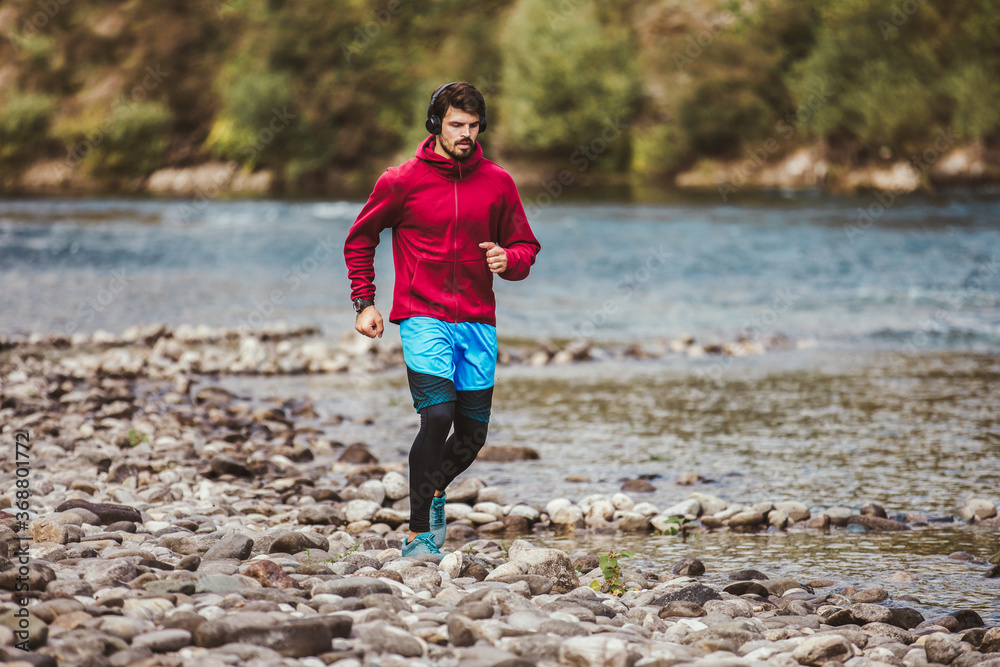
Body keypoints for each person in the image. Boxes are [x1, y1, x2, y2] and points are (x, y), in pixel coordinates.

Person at [343, 82, 541, 556]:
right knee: (437, 417)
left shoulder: (498, 182)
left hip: (478, 320)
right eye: (456, 124)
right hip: (422, 313)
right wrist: (364, 301)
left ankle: (433, 488)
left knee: (472, 436)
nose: (466, 134)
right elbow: (360, 238)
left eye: (473, 126)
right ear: (436, 124)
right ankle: (417, 536)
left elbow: (525, 247)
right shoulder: (401, 180)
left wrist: (507, 260)